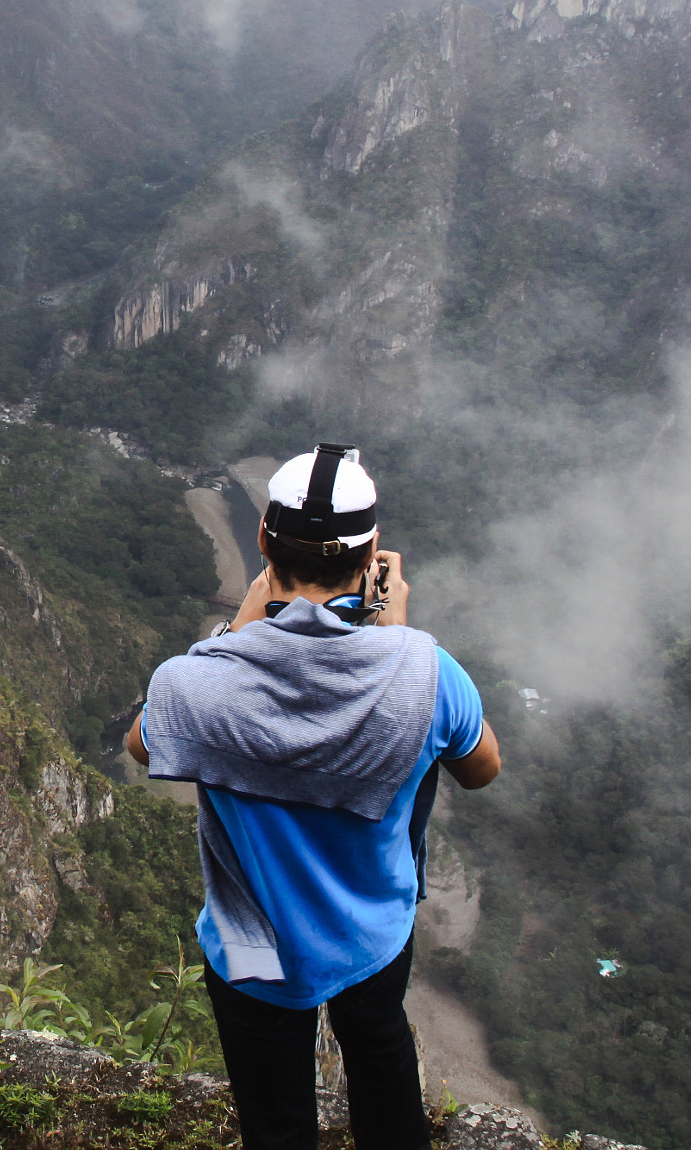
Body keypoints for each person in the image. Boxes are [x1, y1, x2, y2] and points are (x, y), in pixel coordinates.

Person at [125, 443, 500, 1150]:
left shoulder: (195, 684)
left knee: (276, 1121)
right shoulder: (428, 670)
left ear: (264, 539)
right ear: (373, 554)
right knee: (382, 1057)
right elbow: (481, 768)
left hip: (253, 948)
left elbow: (144, 744)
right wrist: (397, 635)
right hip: (371, 930)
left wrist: (242, 619)